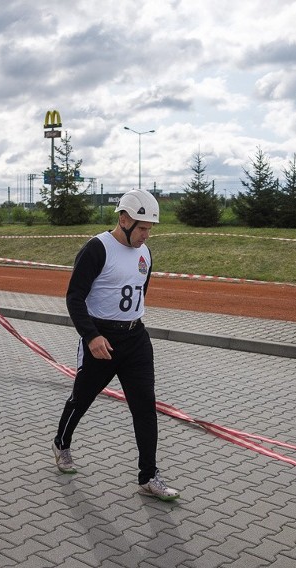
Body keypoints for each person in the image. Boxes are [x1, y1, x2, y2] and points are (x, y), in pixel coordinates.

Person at [52, 189, 180, 502]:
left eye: (150, 229)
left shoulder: (145, 253)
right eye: (141, 227)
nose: (146, 235)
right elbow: (74, 297)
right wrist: (92, 336)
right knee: (81, 399)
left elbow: (140, 292)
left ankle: (148, 476)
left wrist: (130, 325)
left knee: (144, 408)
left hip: (136, 339)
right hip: (101, 340)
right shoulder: (98, 248)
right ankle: (61, 442)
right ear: (123, 219)